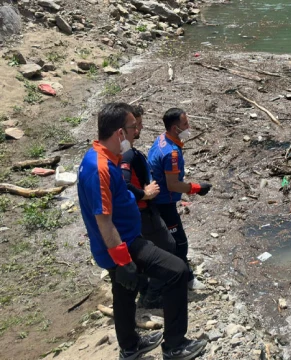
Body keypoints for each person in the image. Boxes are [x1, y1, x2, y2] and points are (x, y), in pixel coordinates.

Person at [77, 102, 206, 360]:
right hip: (122, 244)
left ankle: (130, 346)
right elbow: (104, 221)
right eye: (133, 127)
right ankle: (175, 346)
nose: (137, 131)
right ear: (119, 133)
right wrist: (124, 261)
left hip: (118, 243)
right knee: (177, 271)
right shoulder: (100, 168)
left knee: (124, 292)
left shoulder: (101, 157)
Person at [148, 108, 212, 290]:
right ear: (175, 128)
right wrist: (196, 188)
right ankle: (185, 279)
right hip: (163, 202)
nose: (189, 126)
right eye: (185, 124)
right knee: (179, 243)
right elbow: (173, 184)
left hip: (156, 198)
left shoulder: (161, 139)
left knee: (165, 240)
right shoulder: (172, 153)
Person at [120, 104, 176, 309]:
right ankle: (153, 294)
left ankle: (144, 287)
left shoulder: (126, 152)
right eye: (137, 125)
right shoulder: (126, 155)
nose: (140, 129)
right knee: (167, 247)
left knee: (147, 249)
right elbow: (123, 183)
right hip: (143, 211)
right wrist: (145, 193)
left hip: (141, 209)